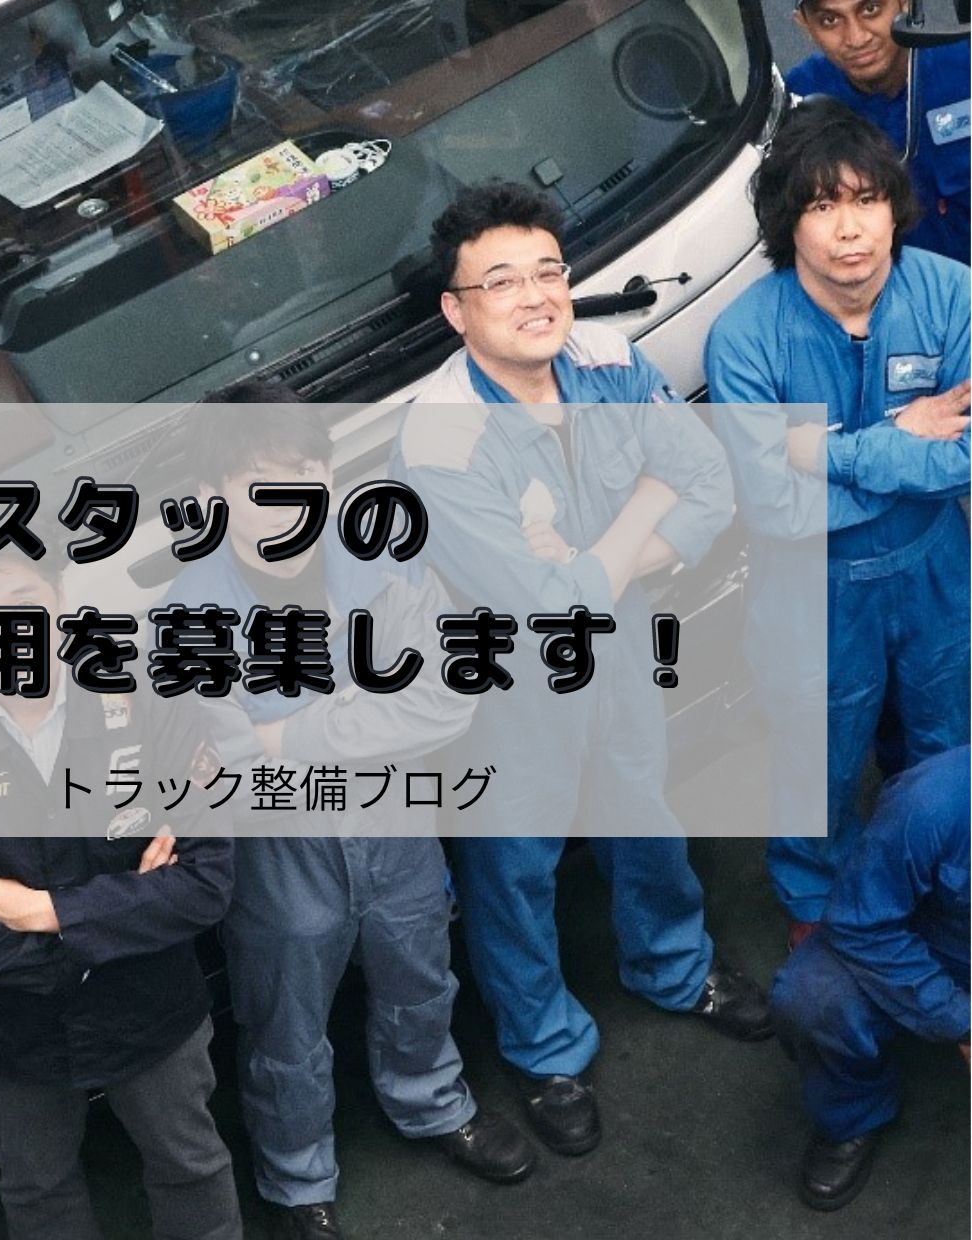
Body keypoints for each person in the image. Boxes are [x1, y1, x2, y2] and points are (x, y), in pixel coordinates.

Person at [392, 181, 771, 1156]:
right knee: (511, 864)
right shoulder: (438, 435)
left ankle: (673, 965)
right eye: (500, 281)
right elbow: (536, 604)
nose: (534, 296)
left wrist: (600, 553)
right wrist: (642, 506)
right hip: (507, 680)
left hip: (621, 645)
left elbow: (706, 483)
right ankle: (543, 1046)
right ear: (456, 310)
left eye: (547, 271)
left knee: (643, 808)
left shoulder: (608, 359)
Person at [165, 392, 536, 1240]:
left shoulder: (385, 566)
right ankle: (298, 1180)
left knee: (420, 975)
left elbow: (447, 701)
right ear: (216, 494)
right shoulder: (189, 615)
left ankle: (435, 1103)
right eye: (261, 484)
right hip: (279, 855)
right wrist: (364, 713)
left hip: (396, 828)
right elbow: (235, 766)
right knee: (284, 1023)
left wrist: (294, 727)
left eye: (305, 474)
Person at [0, 550, 243, 1240]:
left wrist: (48, 912)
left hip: (149, 1007)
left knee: (189, 1163)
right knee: (37, 1187)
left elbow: (206, 880)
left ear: (60, 594)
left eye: (23, 601)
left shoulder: (150, 693)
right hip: (6, 1026)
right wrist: (120, 918)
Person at [704, 100, 969, 939]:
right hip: (809, 589)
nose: (849, 229)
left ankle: (944, 884)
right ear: (788, 223)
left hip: (936, 571)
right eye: (822, 206)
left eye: (866, 199)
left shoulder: (954, 294)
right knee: (814, 755)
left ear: (895, 206)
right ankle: (816, 901)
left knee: (947, 740)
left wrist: (828, 452)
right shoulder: (744, 337)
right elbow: (773, 504)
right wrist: (902, 439)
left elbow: (966, 457)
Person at [770, 744, 968, 1211]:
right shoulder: (931, 801)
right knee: (813, 997)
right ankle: (854, 1112)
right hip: (935, 943)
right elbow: (862, 925)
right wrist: (961, 1021)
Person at [786, 0, 968, 264]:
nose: (856, 38)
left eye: (870, 9)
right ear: (805, 25)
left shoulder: (965, 64)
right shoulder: (796, 102)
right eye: (830, 20)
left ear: (905, 3)